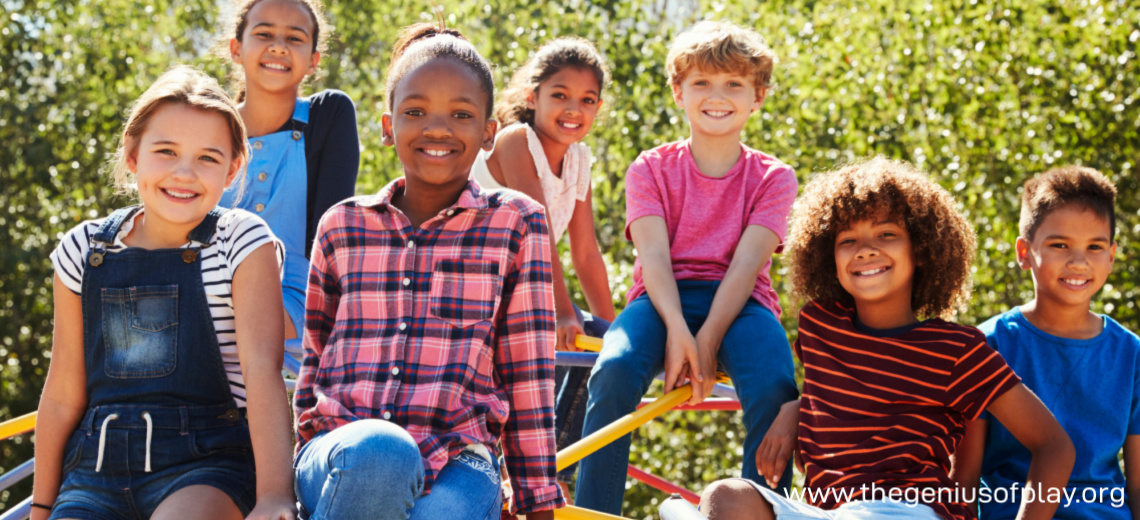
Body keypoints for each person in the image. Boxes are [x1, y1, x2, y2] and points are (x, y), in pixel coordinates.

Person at [696, 157, 1075, 520]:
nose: (865, 249)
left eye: (887, 234)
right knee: (724, 497)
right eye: (848, 240)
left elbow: (1054, 446)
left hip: (907, 511)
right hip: (827, 514)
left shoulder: (957, 350)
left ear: (921, 250)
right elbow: (838, 395)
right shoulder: (820, 327)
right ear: (828, 255)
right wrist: (793, 409)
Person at [291, 23, 563, 520]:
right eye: (415, 111)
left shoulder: (517, 223)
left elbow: (529, 372)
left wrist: (537, 504)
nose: (437, 128)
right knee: (381, 452)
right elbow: (314, 361)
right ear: (387, 124)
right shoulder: (342, 226)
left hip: (460, 459)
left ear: (488, 132)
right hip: (342, 450)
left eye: (460, 114)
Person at [31, 66, 295, 520]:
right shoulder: (83, 249)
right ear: (133, 155)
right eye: (166, 152)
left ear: (233, 169)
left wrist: (274, 496)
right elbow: (61, 395)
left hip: (207, 463)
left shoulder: (240, 240)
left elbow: (262, 371)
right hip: (93, 472)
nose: (184, 173)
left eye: (208, 158)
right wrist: (40, 507)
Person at [574, 20, 800, 515]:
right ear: (678, 92)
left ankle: (761, 508)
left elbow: (746, 265)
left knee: (776, 387)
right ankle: (595, 511)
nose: (716, 96)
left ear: (757, 96)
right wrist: (677, 328)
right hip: (660, 300)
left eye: (734, 84)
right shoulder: (650, 168)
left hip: (740, 306)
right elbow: (652, 256)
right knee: (611, 370)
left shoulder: (774, 177)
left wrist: (709, 337)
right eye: (701, 82)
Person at [471, 37, 616, 498]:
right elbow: (536, 234)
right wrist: (564, 309)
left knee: (599, 342)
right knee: (561, 329)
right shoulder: (517, 141)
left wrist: (614, 326)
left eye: (587, 100)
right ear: (532, 97)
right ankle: (518, 470)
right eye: (560, 95)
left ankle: (555, 470)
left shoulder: (578, 160)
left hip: (523, 289)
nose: (574, 108)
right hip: (476, 281)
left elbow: (586, 251)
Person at [956, 166, 1140, 519]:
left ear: (1112, 255)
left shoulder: (1131, 354)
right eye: (1059, 245)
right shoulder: (987, 345)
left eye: (1095, 246)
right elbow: (964, 479)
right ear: (1024, 252)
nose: (1078, 261)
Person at [220, 0, 359, 341]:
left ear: (314, 60)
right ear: (236, 48)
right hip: (201, 299)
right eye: (264, 33)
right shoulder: (208, 126)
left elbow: (330, 242)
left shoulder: (329, 116)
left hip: (294, 314)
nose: (279, 46)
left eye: (295, 38)